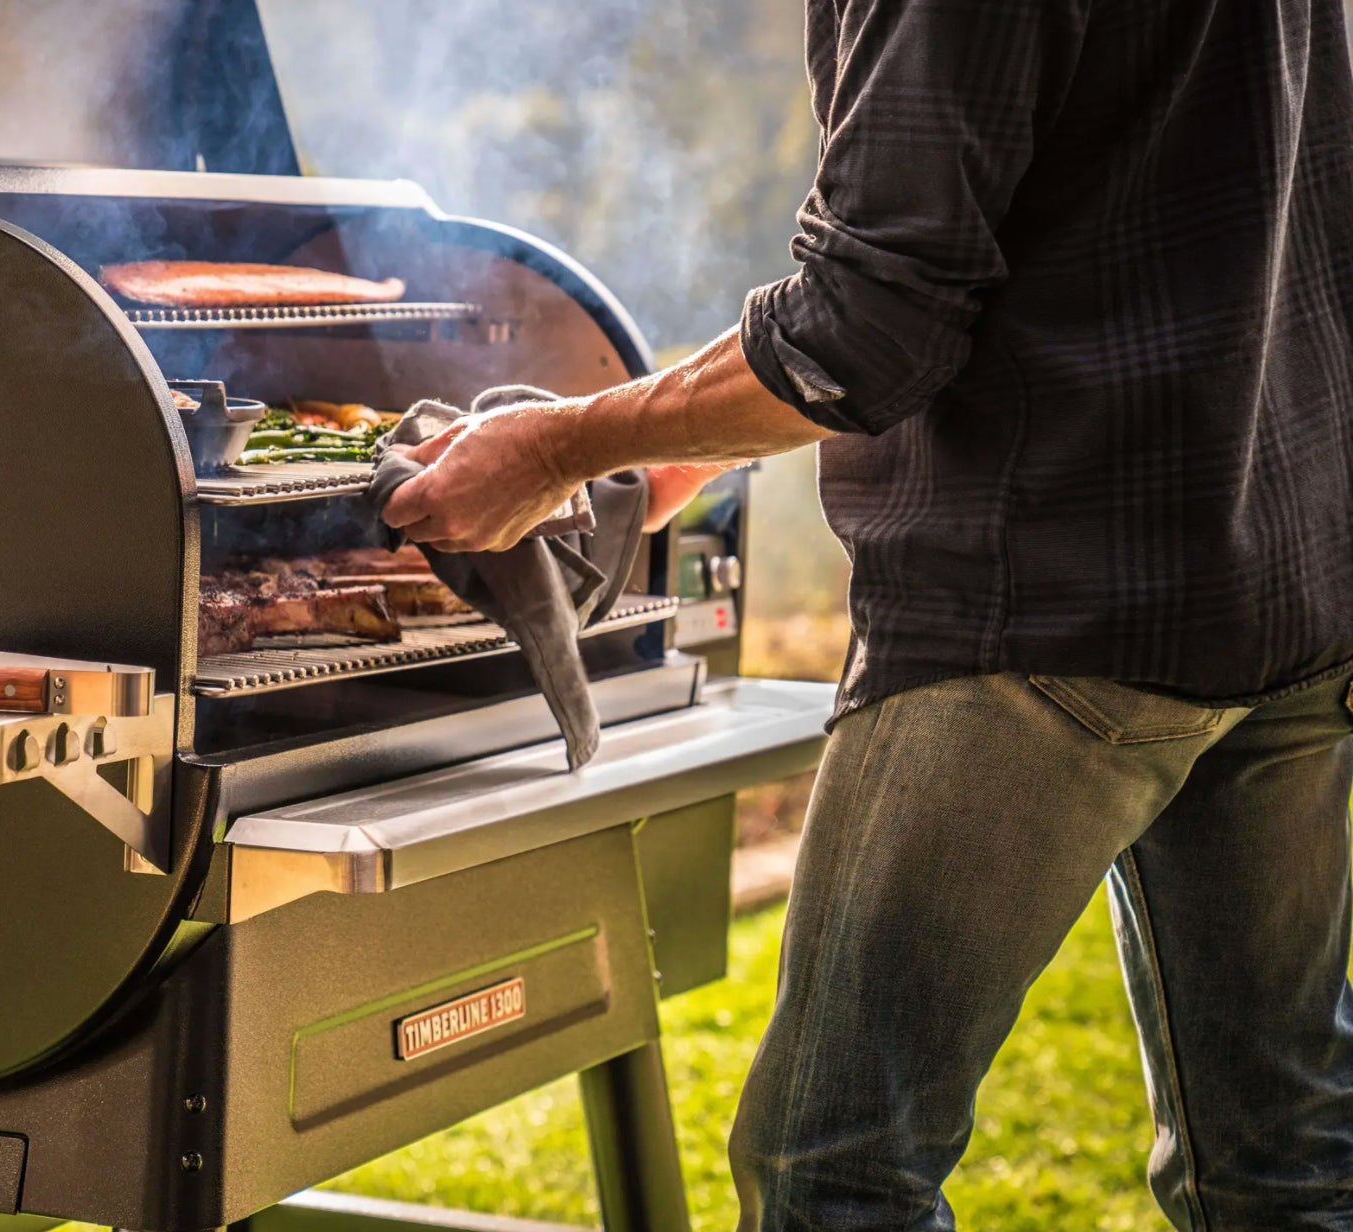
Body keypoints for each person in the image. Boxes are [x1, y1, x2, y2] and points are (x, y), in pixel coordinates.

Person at [383, 0, 1353, 1227]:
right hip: (1290, 572)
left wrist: (560, 448)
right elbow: (1095, 209)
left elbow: (866, 328)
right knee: (1283, 1156)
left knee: (834, 1173)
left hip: (1047, 612)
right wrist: (687, 434)